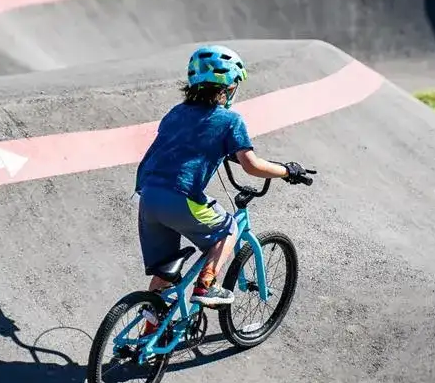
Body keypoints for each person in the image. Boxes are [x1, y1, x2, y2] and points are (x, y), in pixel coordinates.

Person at [132, 44, 312, 315]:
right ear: (228, 88)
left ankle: (148, 333)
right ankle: (206, 285)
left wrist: (217, 151)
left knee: (167, 270)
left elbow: (183, 143)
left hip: (148, 196)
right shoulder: (230, 120)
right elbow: (251, 166)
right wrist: (287, 171)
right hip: (180, 197)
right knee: (228, 229)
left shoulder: (175, 113)